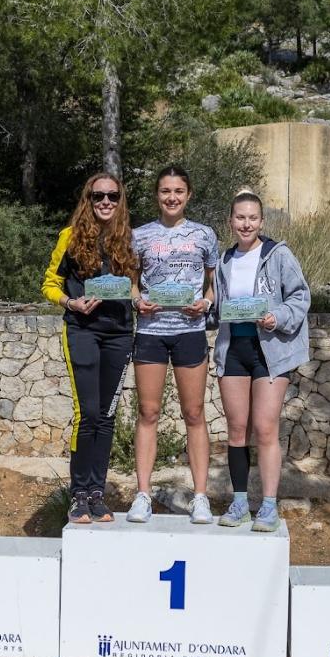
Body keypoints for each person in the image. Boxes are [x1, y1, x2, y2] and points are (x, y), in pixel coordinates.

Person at [41, 172, 139, 524]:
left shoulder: (128, 238)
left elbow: (134, 286)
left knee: (108, 416)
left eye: (112, 196)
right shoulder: (69, 237)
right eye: (99, 196)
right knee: (88, 414)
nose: (106, 203)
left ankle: (98, 493)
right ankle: (78, 493)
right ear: (88, 199)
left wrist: (142, 300)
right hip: (82, 330)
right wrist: (71, 303)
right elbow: (49, 284)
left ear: (120, 199)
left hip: (119, 333)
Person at [213, 191, 310, 533]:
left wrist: (277, 317)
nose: (246, 223)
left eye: (252, 217)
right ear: (231, 221)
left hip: (270, 351)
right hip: (233, 350)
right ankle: (240, 502)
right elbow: (219, 306)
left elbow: (300, 295)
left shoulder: (278, 255)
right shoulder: (224, 260)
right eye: (240, 217)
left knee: (266, 428)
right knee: (237, 431)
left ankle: (268, 505)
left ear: (262, 221)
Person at [126, 166, 218, 525]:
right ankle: (143, 494)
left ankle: (200, 497)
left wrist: (207, 304)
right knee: (148, 413)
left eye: (179, 191)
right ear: (157, 195)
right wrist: (137, 301)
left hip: (190, 332)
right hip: (150, 332)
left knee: (194, 414)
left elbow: (213, 284)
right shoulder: (140, 236)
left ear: (189, 194)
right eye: (165, 191)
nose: (172, 197)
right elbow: (131, 282)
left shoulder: (204, 235)